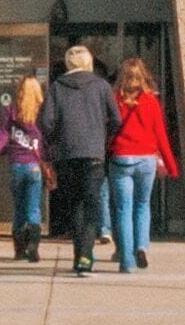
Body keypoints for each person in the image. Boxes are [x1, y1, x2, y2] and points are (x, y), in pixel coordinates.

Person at [37, 42, 122, 275]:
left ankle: (80, 256)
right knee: (92, 204)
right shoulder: (102, 86)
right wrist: (102, 136)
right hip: (93, 153)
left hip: (66, 154)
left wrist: (56, 140)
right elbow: (116, 119)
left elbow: (45, 122)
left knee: (75, 205)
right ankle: (85, 256)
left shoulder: (56, 87)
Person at [105, 57, 177, 272]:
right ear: (143, 75)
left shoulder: (115, 99)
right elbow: (161, 136)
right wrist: (171, 166)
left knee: (123, 209)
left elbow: (108, 129)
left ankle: (126, 261)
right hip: (147, 159)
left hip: (121, 158)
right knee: (142, 206)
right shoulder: (151, 101)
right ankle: (142, 246)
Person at [0, 74, 48, 260]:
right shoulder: (42, 113)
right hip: (34, 166)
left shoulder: (10, 111)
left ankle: (19, 250)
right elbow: (47, 139)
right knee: (33, 209)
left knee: (19, 209)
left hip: (17, 165)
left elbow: (2, 136)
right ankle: (33, 247)